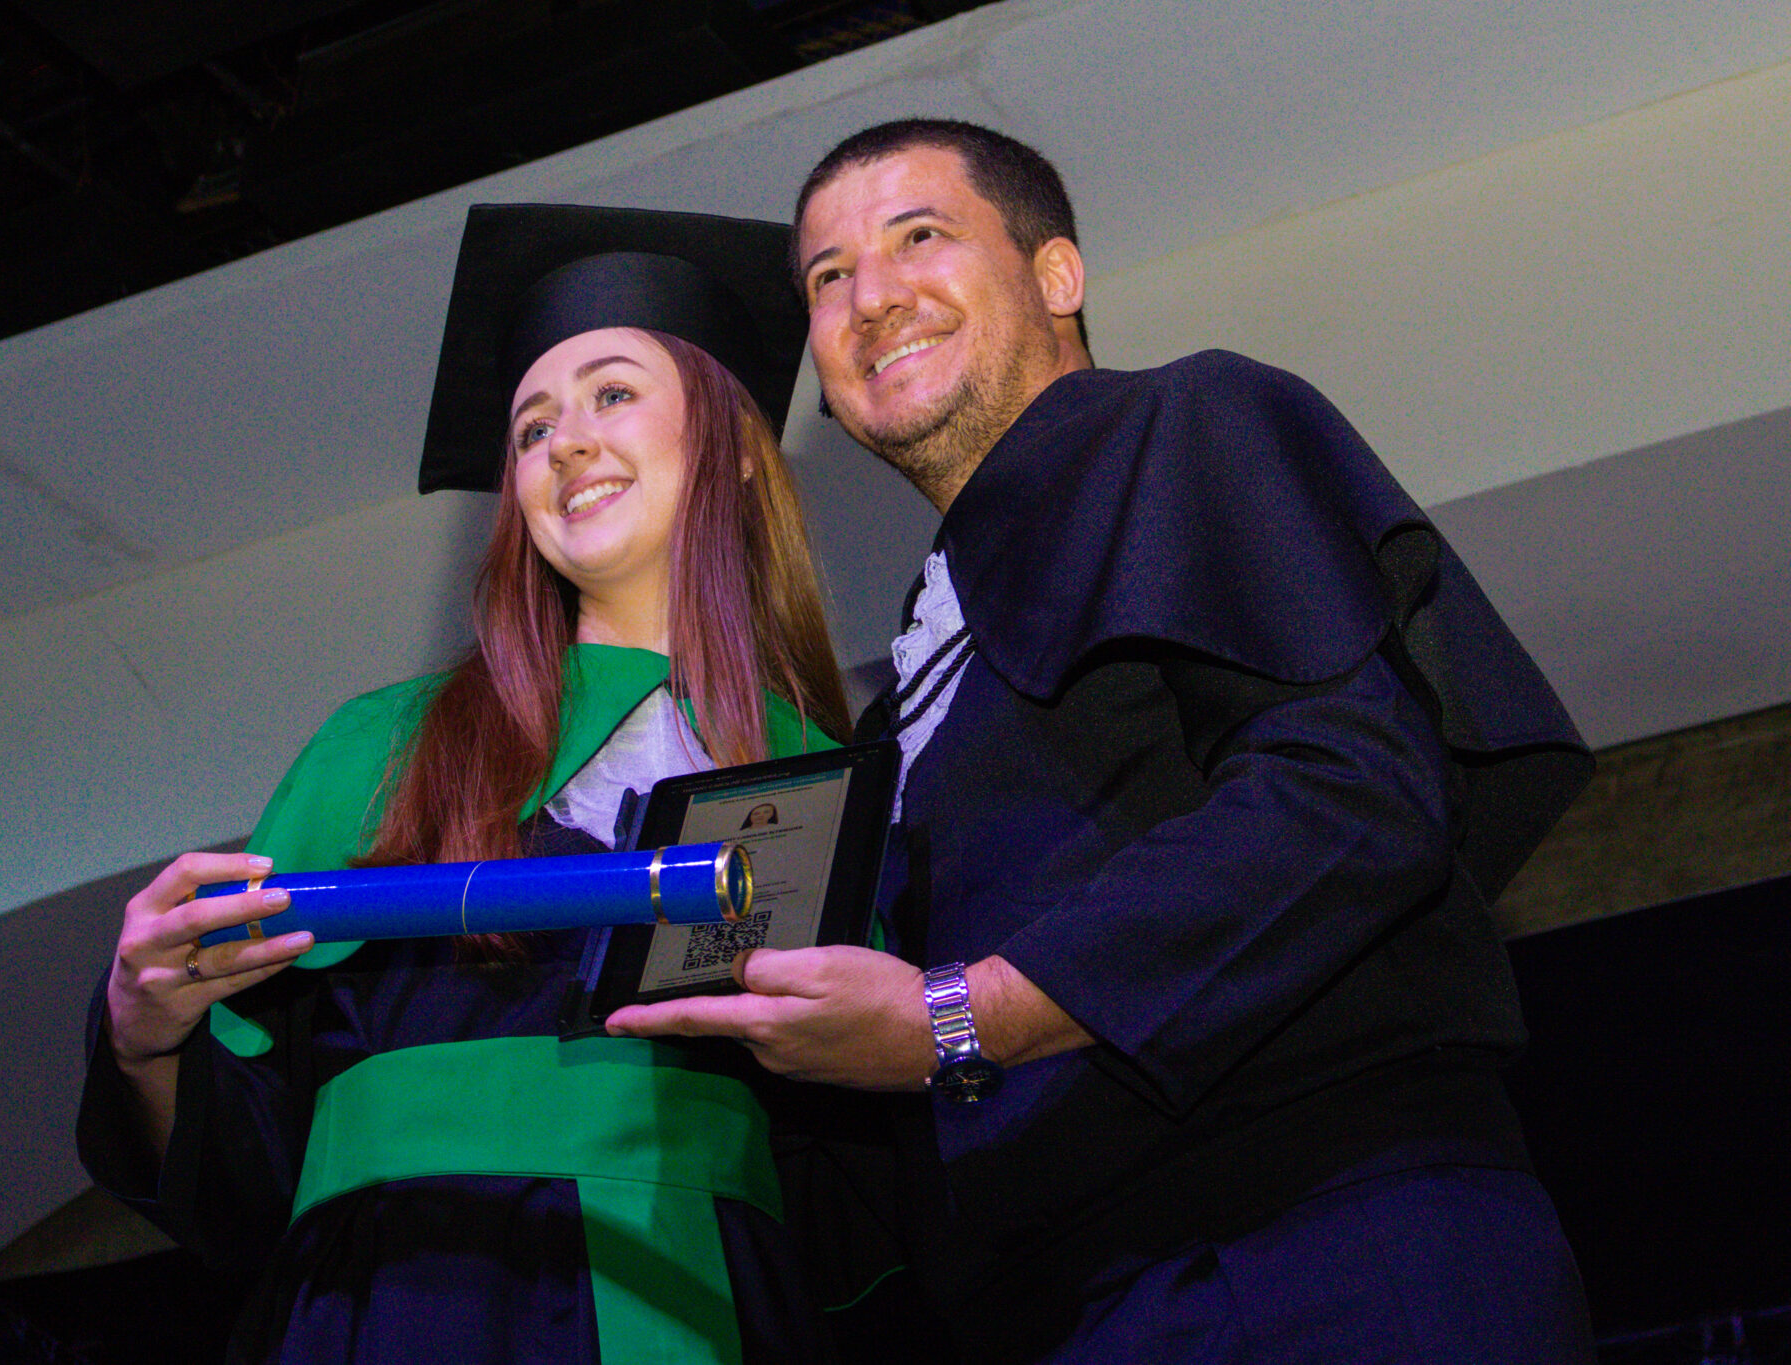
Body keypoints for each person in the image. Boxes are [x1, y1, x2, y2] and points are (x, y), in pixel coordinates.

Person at [607, 120, 1599, 1363]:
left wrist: (958, 1017)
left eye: (918, 237)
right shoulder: (896, 703)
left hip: (1318, 1237)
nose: (871, 297)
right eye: (826, 276)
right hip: (1063, 1311)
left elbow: (1348, 791)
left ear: (1056, 275)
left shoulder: (1188, 422)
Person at [75, 203, 856, 1363]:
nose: (565, 444)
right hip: (402, 1293)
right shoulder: (385, 746)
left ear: (735, 443)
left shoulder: (817, 773)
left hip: (700, 1296)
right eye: (531, 428)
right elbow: (240, 1160)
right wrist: (142, 1040)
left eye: (611, 394)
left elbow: (861, 1186)